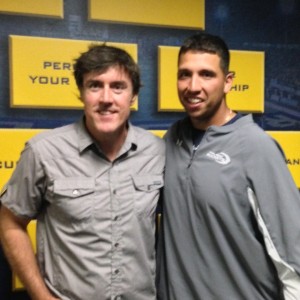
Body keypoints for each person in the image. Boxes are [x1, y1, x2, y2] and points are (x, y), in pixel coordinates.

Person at [0, 44, 165, 300]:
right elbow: (10, 222)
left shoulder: (157, 151)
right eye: (95, 85)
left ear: (133, 96)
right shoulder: (43, 152)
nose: (106, 98)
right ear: (81, 92)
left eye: (118, 87)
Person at [157, 32, 300, 299]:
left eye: (206, 75)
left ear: (228, 81)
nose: (193, 86)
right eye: (184, 74)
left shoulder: (256, 148)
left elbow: (291, 255)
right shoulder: (172, 139)